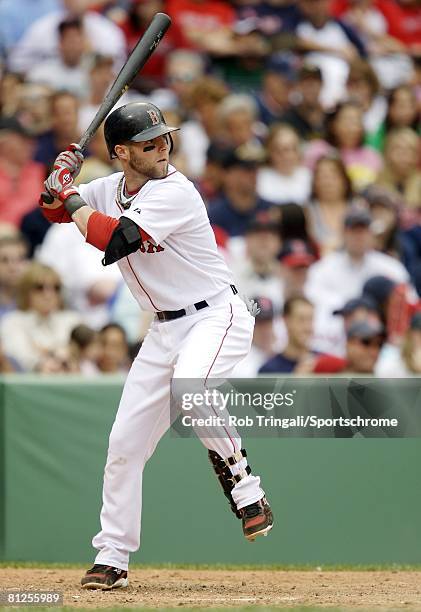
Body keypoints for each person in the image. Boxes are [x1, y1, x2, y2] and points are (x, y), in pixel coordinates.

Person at [39, 101, 273, 589]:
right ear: (122, 153)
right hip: (164, 329)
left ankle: (247, 491)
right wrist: (56, 181)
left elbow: (116, 238)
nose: (162, 147)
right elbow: (53, 211)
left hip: (216, 314)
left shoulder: (177, 190)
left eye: (165, 137)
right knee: (124, 444)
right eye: (149, 143)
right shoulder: (108, 187)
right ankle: (112, 556)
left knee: (192, 387)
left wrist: (72, 198)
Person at [259, 295, 315, 374]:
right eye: (301, 320)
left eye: (310, 319)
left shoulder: (326, 363)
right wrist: (296, 380)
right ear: (286, 321)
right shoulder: (269, 371)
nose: (307, 327)